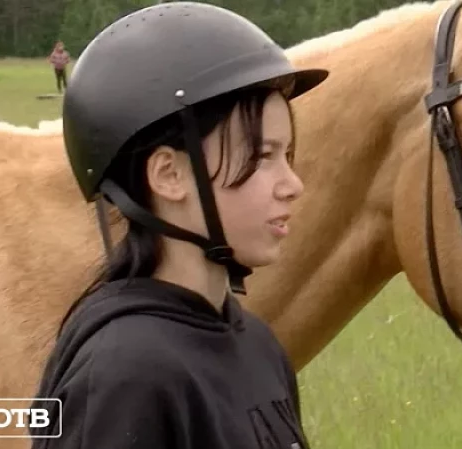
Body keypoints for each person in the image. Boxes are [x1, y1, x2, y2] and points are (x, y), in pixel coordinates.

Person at [29, 2, 328, 448]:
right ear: (169, 175)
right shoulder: (123, 375)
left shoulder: (257, 345)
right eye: (262, 156)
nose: (293, 185)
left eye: (287, 156)